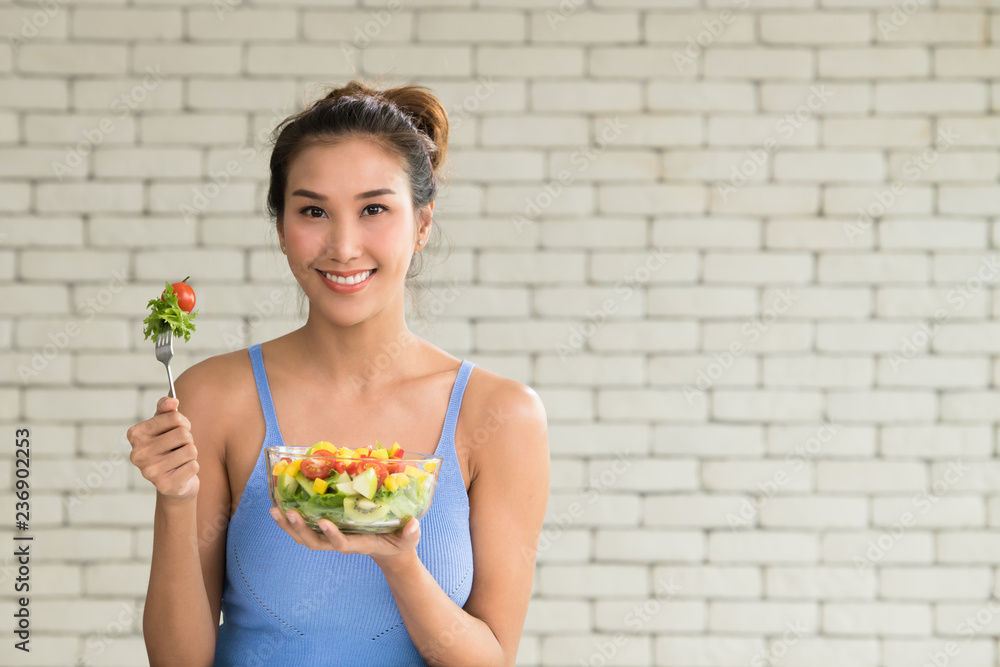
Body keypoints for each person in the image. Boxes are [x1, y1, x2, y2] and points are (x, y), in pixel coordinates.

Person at [127, 80, 550, 667]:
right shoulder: (214, 397)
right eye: (313, 211)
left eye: (374, 208)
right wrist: (177, 501)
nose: (344, 245)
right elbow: (177, 663)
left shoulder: (500, 416)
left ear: (423, 223)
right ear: (281, 229)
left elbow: (491, 660)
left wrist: (398, 561)